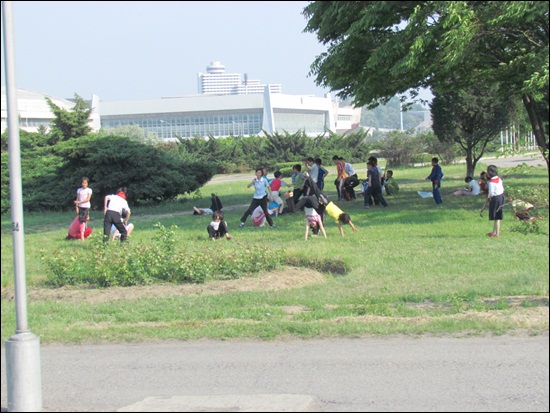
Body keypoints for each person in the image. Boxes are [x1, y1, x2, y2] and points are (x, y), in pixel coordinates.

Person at [485, 164, 504, 238]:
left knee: (497, 217)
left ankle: (497, 234)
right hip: (501, 197)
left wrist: (488, 198)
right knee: (496, 216)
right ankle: (494, 231)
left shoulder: (492, 182)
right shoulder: (499, 179)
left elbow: (491, 193)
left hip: (495, 198)